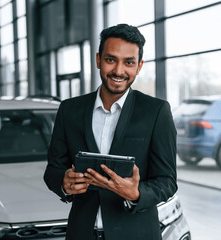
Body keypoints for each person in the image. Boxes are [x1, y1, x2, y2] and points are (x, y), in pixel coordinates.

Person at [44, 24, 177, 240]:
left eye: (129, 63)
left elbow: (167, 181)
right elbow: (53, 170)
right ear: (98, 59)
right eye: (110, 60)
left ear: (139, 66)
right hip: (82, 233)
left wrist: (136, 193)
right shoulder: (69, 110)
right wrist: (63, 183)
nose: (118, 71)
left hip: (136, 234)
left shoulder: (156, 112)